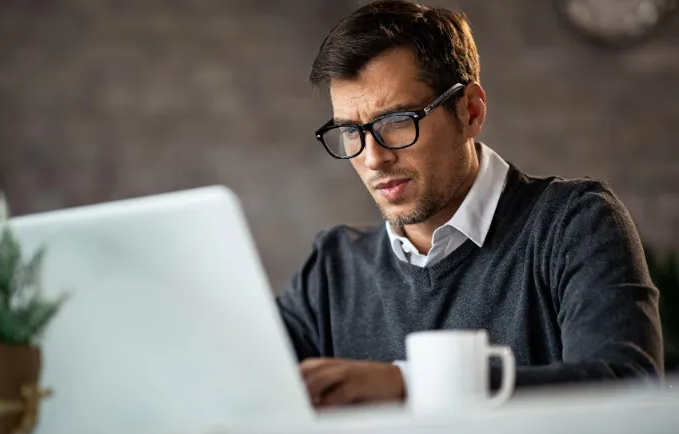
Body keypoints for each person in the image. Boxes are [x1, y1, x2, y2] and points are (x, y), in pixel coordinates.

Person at [276, 0, 664, 408]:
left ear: (470, 111)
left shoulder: (574, 221)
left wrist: (409, 384)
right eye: (351, 132)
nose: (373, 158)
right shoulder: (332, 270)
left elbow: (625, 385)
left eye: (397, 122)